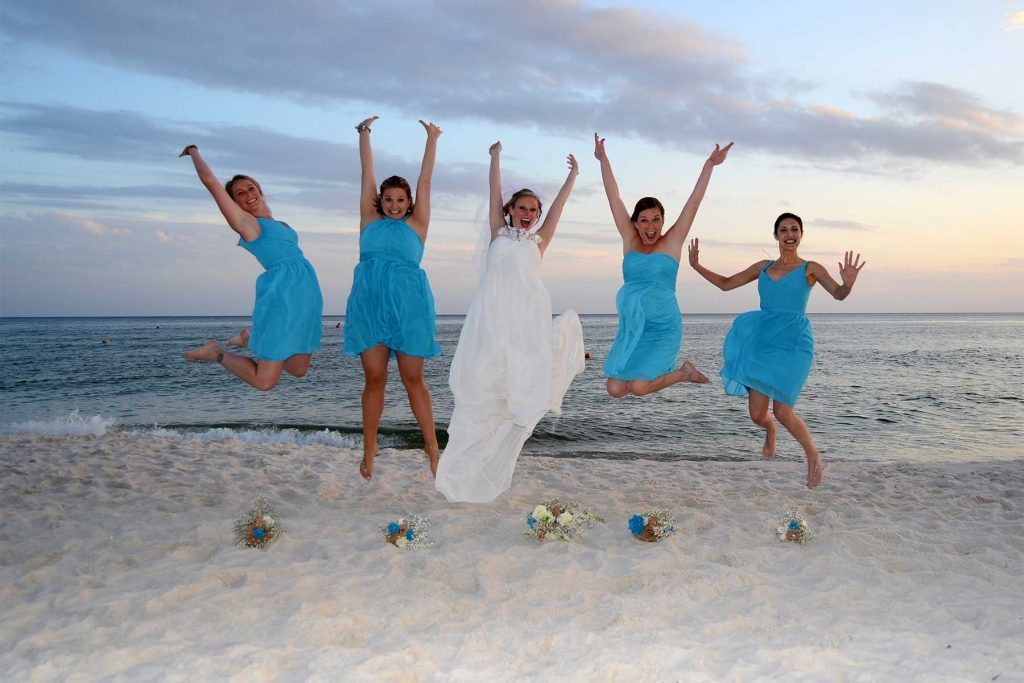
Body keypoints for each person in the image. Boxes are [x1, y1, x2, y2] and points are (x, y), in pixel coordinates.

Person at [435, 142, 585, 503]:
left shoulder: (539, 240)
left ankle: (501, 445)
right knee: (483, 389)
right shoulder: (497, 233)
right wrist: (495, 158)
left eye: (534, 210)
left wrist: (574, 175)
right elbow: (493, 189)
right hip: (490, 320)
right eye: (523, 208)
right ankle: (468, 461)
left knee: (519, 389)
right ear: (511, 209)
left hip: (525, 322)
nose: (529, 214)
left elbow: (560, 207)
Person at [687, 213, 865, 487]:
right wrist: (697, 265)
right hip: (763, 341)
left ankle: (813, 455)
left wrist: (848, 284)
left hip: (794, 344)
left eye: (794, 229)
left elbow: (838, 294)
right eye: (783, 230)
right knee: (758, 415)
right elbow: (725, 284)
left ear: (801, 234)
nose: (789, 234)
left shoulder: (811, 268)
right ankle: (770, 430)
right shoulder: (763, 267)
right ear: (776, 236)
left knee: (783, 410)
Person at [594, 132, 732, 398]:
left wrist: (709, 165)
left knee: (638, 387)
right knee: (614, 388)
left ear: (662, 221)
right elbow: (615, 199)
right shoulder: (629, 239)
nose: (650, 226)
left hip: (663, 326)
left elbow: (694, 202)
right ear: (635, 223)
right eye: (644, 220)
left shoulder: (672, 242)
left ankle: (684, 373)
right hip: (634, 325)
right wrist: (603, 159)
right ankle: (680, 374)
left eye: (656, 219)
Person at [343, 117, 442, 480]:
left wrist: (432, 139)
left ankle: (432, 447)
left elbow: (426, 180)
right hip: (369, 305)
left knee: (413, 378)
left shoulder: (418, 224)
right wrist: (364, 134)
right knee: (373, 378)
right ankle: (370, 446)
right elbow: (366, 172)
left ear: (409, 202)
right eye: (389, 199)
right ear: (379, 200)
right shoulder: (368, 218)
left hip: (409, 307)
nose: (395, 205)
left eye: (401, 200)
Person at [179, 145, 323, 390]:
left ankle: (251, 338)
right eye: (239, 194)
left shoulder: (278, 223)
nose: (247, 195)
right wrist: (194, 152)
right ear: (235, 203)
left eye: (250, 188)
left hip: (306, 291)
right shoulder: (248, 225)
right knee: (264, 382)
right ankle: (215, 353)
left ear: (260, 190)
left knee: (298, 369)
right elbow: (211, 183)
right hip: (283, 293)